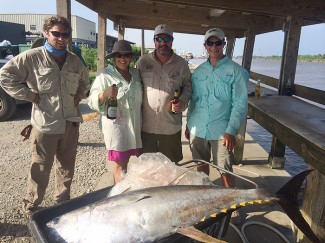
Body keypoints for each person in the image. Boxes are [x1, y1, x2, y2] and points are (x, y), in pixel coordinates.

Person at [0, 15, 89, 219]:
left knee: (66, 167)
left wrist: (79, 95)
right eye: (56, 33)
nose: (61, 38)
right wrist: (30, 96)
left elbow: (85, 82)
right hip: (45, 125)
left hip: (69, 124)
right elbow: (5, 76)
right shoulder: (32, 57)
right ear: (46, 33)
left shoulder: (74, 61)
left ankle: (63, 203)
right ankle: (32, 206)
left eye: (65, 34)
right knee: (40, 168)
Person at [185, 28, 249, 188]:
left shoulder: (237, 71)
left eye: (218, 43)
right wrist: (188, 124)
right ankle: (205, 198)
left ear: (224, 44)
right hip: (198, 127)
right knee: (200, 168)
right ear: (205, 45)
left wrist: (231, 130)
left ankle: (231, 208)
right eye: (210, 43)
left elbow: (240, 103)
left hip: (222, 131)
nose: (214, 47)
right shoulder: (198, 71)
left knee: (225, 170)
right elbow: (194, 100)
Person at [88, 40, 143, 183]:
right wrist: (104, 94)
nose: (123, 59)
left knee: (129, 162)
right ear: (114, 57)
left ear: (131, 57)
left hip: (135, 125)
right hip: (117, 127)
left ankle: (125, 190)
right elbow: (91, 100)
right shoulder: (104, 75)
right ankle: (119, 197)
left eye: (126, 55)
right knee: (120, 166)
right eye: (119, 55)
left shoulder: (136, 74)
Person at [137, 24, 192, 163]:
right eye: (159, 38)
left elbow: (188, 87)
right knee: (147, 167)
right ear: (154, 40)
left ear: (172, 41)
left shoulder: (181, 64)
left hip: (170, 127)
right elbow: (134, 86)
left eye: (166, 38)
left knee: (170, 167)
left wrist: (183, 102)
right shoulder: (142, 62)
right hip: (146, 126)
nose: (163, 42)